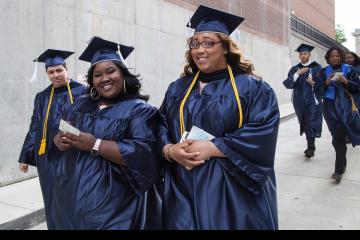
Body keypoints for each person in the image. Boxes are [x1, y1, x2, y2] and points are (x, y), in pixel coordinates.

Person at [158, 5, 279, 230]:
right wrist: (169, 150)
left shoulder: (253, 88)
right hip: (182, 185)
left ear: (225, 47)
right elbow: (161, 124)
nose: (200, 50)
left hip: (231, 188)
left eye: (208, 43)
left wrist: (214, 148)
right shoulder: (178, 88)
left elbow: (263, 131)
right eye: (195, 44)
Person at [52, 37, 161, 229]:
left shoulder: (140, 110)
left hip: (114, 205)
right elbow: (63, 128)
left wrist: (95, 144)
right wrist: (58, 139)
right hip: (70, 198)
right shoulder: (81, 103)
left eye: (111, 71)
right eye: (97, 75)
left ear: (123, 73)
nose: (104, 79)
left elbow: (143, 154)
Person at [18, 49, 87, 229]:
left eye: (59, 70)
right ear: (47, 73)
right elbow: (35, 126)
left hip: (75, 156)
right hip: (48, 158)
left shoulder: (83, 92)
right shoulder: (42, 97)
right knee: (53, 200)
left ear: (66, 69)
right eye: (51, 72)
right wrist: (25, 156)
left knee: (76, 199)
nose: (55, 75)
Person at [315, 47, 360, 183]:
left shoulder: (349, 69)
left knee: (338, 139)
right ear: (328, 58)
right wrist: (327, 82)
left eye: (337, 56)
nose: (334, 58)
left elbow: (358, 87)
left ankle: (338, 170)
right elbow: (317, 91)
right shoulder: (323, 72)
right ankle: (342, 162)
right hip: (329, 109)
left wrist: (346, 81)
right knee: (336, 137)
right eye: (331, 56)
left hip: (345, 107)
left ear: (341, 57)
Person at [283, 43, 323, 158]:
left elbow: (321, 85)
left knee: (310, 123)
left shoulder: (316, 67)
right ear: (299, 56)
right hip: (299, 101)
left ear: (309, 54)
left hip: (312, 101)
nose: (303, 55)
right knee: (304, 123)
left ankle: (311, 148)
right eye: (301, 54)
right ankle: (310, 144)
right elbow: (288, 84)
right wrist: (297, 74)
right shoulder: (295, 69)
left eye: (305, 53)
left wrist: (313, 83)